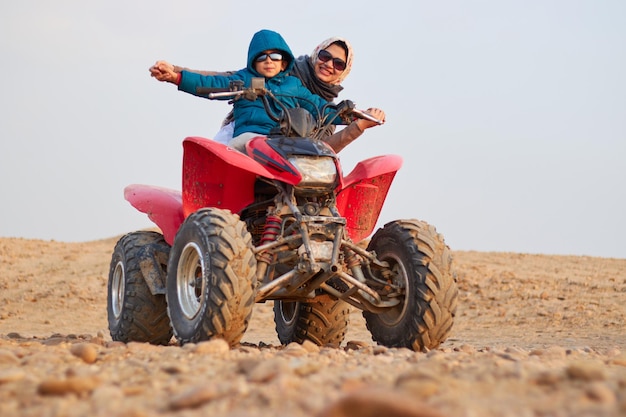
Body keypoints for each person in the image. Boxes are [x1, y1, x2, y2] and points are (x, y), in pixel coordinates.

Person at [150, 36, 385, 153]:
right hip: (244, 131)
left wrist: (360, 119)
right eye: (325, 56)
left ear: (345, 70)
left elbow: (326, 136)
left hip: (285, 146)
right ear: (316, 53)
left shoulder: (306, 95)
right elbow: (218, 81)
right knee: (218, 157)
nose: (328, 64)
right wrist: (176, 74)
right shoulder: (268, 75)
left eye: (338, 63)